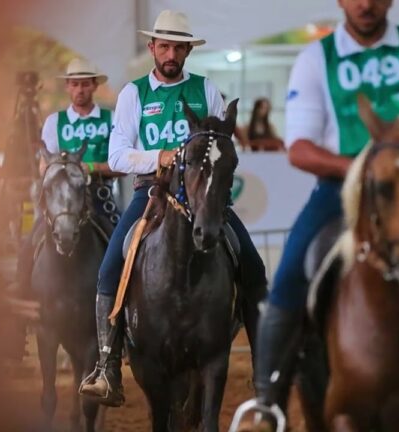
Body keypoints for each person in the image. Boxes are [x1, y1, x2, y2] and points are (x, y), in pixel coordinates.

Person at [252, 0, 399, 414]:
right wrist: (366, 169)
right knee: (288, 279)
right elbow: (299, 147)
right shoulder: (315, 59)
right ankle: (268, 404)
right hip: (341, 191)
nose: (365, 4)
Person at [79, 9, 268, 407]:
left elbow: (221, 145)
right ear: (152, 48)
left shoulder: (206, 89)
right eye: (164, 46)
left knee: (252, 265)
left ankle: (263, 366)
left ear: (187, 52)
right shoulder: (133, 94)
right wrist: (160, 157)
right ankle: (108, 367)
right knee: (109, 268)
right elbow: (117, 156)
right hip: (151, 192)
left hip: (203, 198)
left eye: (178, 48)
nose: (170, 54)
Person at [14, 58, 120, 308]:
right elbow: (44, 166)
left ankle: (124, 297)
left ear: (94, 85)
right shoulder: (54, 122)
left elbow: (123, 164)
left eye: (85, 84)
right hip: (61, 199)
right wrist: (62, 171)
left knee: (123, 240)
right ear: (67, 87)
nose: (80, 89)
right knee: (32, 240)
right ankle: (23, 294)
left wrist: (92, 168)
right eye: (75, 84)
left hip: (100, 196)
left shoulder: (111, 118)